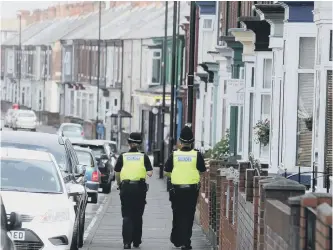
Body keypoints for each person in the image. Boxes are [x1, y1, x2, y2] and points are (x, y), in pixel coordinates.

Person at [164, 125, 207, 250]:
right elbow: (203, 170)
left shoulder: (174, 155)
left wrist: (175, 175)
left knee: (177, 214)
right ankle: (186, 242)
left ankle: (177, 239)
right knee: (188, 216)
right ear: (192, 141)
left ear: (180, 141)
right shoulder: (196, 155)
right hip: (191, 191)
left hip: (176, 190)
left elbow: (166, 171)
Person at [114, 132, 153, 249]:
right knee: (138, 215)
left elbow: (117, 173)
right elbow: (150, 173)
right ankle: (136, 241)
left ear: (129, 143)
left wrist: (119, 184)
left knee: (127, 215)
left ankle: (127, 243)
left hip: (126, 188)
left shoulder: (123, 156)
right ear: (140, 144)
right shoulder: (143, 156)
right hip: (140, 189)